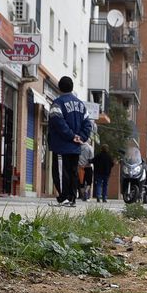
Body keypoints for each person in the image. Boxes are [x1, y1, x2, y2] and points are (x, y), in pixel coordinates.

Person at [48, 77, 93, 206]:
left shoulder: (57, 103)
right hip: (76, 147)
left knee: (61, 173)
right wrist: (81, 137)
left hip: (61, 146)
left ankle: (64, 198)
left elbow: (58, 122)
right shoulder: (81, 105)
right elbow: (87, 124)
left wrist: (71, 136)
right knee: (73, 173)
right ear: (72, 87)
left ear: (59, 87)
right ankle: (72, 198)